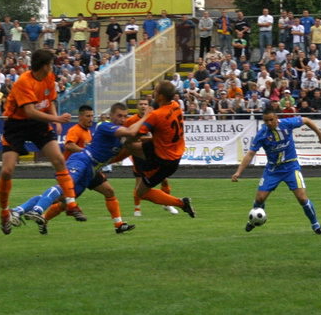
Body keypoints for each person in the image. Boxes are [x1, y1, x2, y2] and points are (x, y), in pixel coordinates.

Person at [11, 102, 149, 234]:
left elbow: (135, 139)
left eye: (125, 116)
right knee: (65, 189)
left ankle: (19, 210)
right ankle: (37, 210)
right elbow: (131, 132)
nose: (123, 119)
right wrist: (146, 116)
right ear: (111, 116)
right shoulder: (105, 126)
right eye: (119, 116)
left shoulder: (114, 134)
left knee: (64, 198)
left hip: (91, 169)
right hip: (82, 160)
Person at [0, 48, 79, 235]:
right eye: (51, 64)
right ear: (45, 66)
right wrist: (56, 120)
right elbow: (30, 112)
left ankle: (72, 204)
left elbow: (50, 101)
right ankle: (4, 213)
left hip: (38, 124)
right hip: (16, 124)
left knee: (58, 159)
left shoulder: (49, 78)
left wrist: (55, 117)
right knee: (7, 170)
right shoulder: (24, 82)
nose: (53, 68)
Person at [231, 109, 321, 234]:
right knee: (259, 199)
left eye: (271, 119)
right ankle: (254, 220)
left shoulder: (287, 123)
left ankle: (316, 225)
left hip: (291, 167)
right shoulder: (262, 134)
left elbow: (306, 120)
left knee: (302, 198)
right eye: (266, 121)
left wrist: (320, 134)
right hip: (273, 170)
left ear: (276, 117)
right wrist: (238, 172)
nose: (269, 123)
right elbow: (250, 153)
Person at [125, 81, 196, 216]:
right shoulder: (176, 105)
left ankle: (181, 203)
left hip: (163, 160)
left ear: (161, 96)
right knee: (127, 145)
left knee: (141, 192)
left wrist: (145, 116)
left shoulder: (156, 115)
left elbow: (134, 135)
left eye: (156, 91)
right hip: (170, 151)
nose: (153, 92)